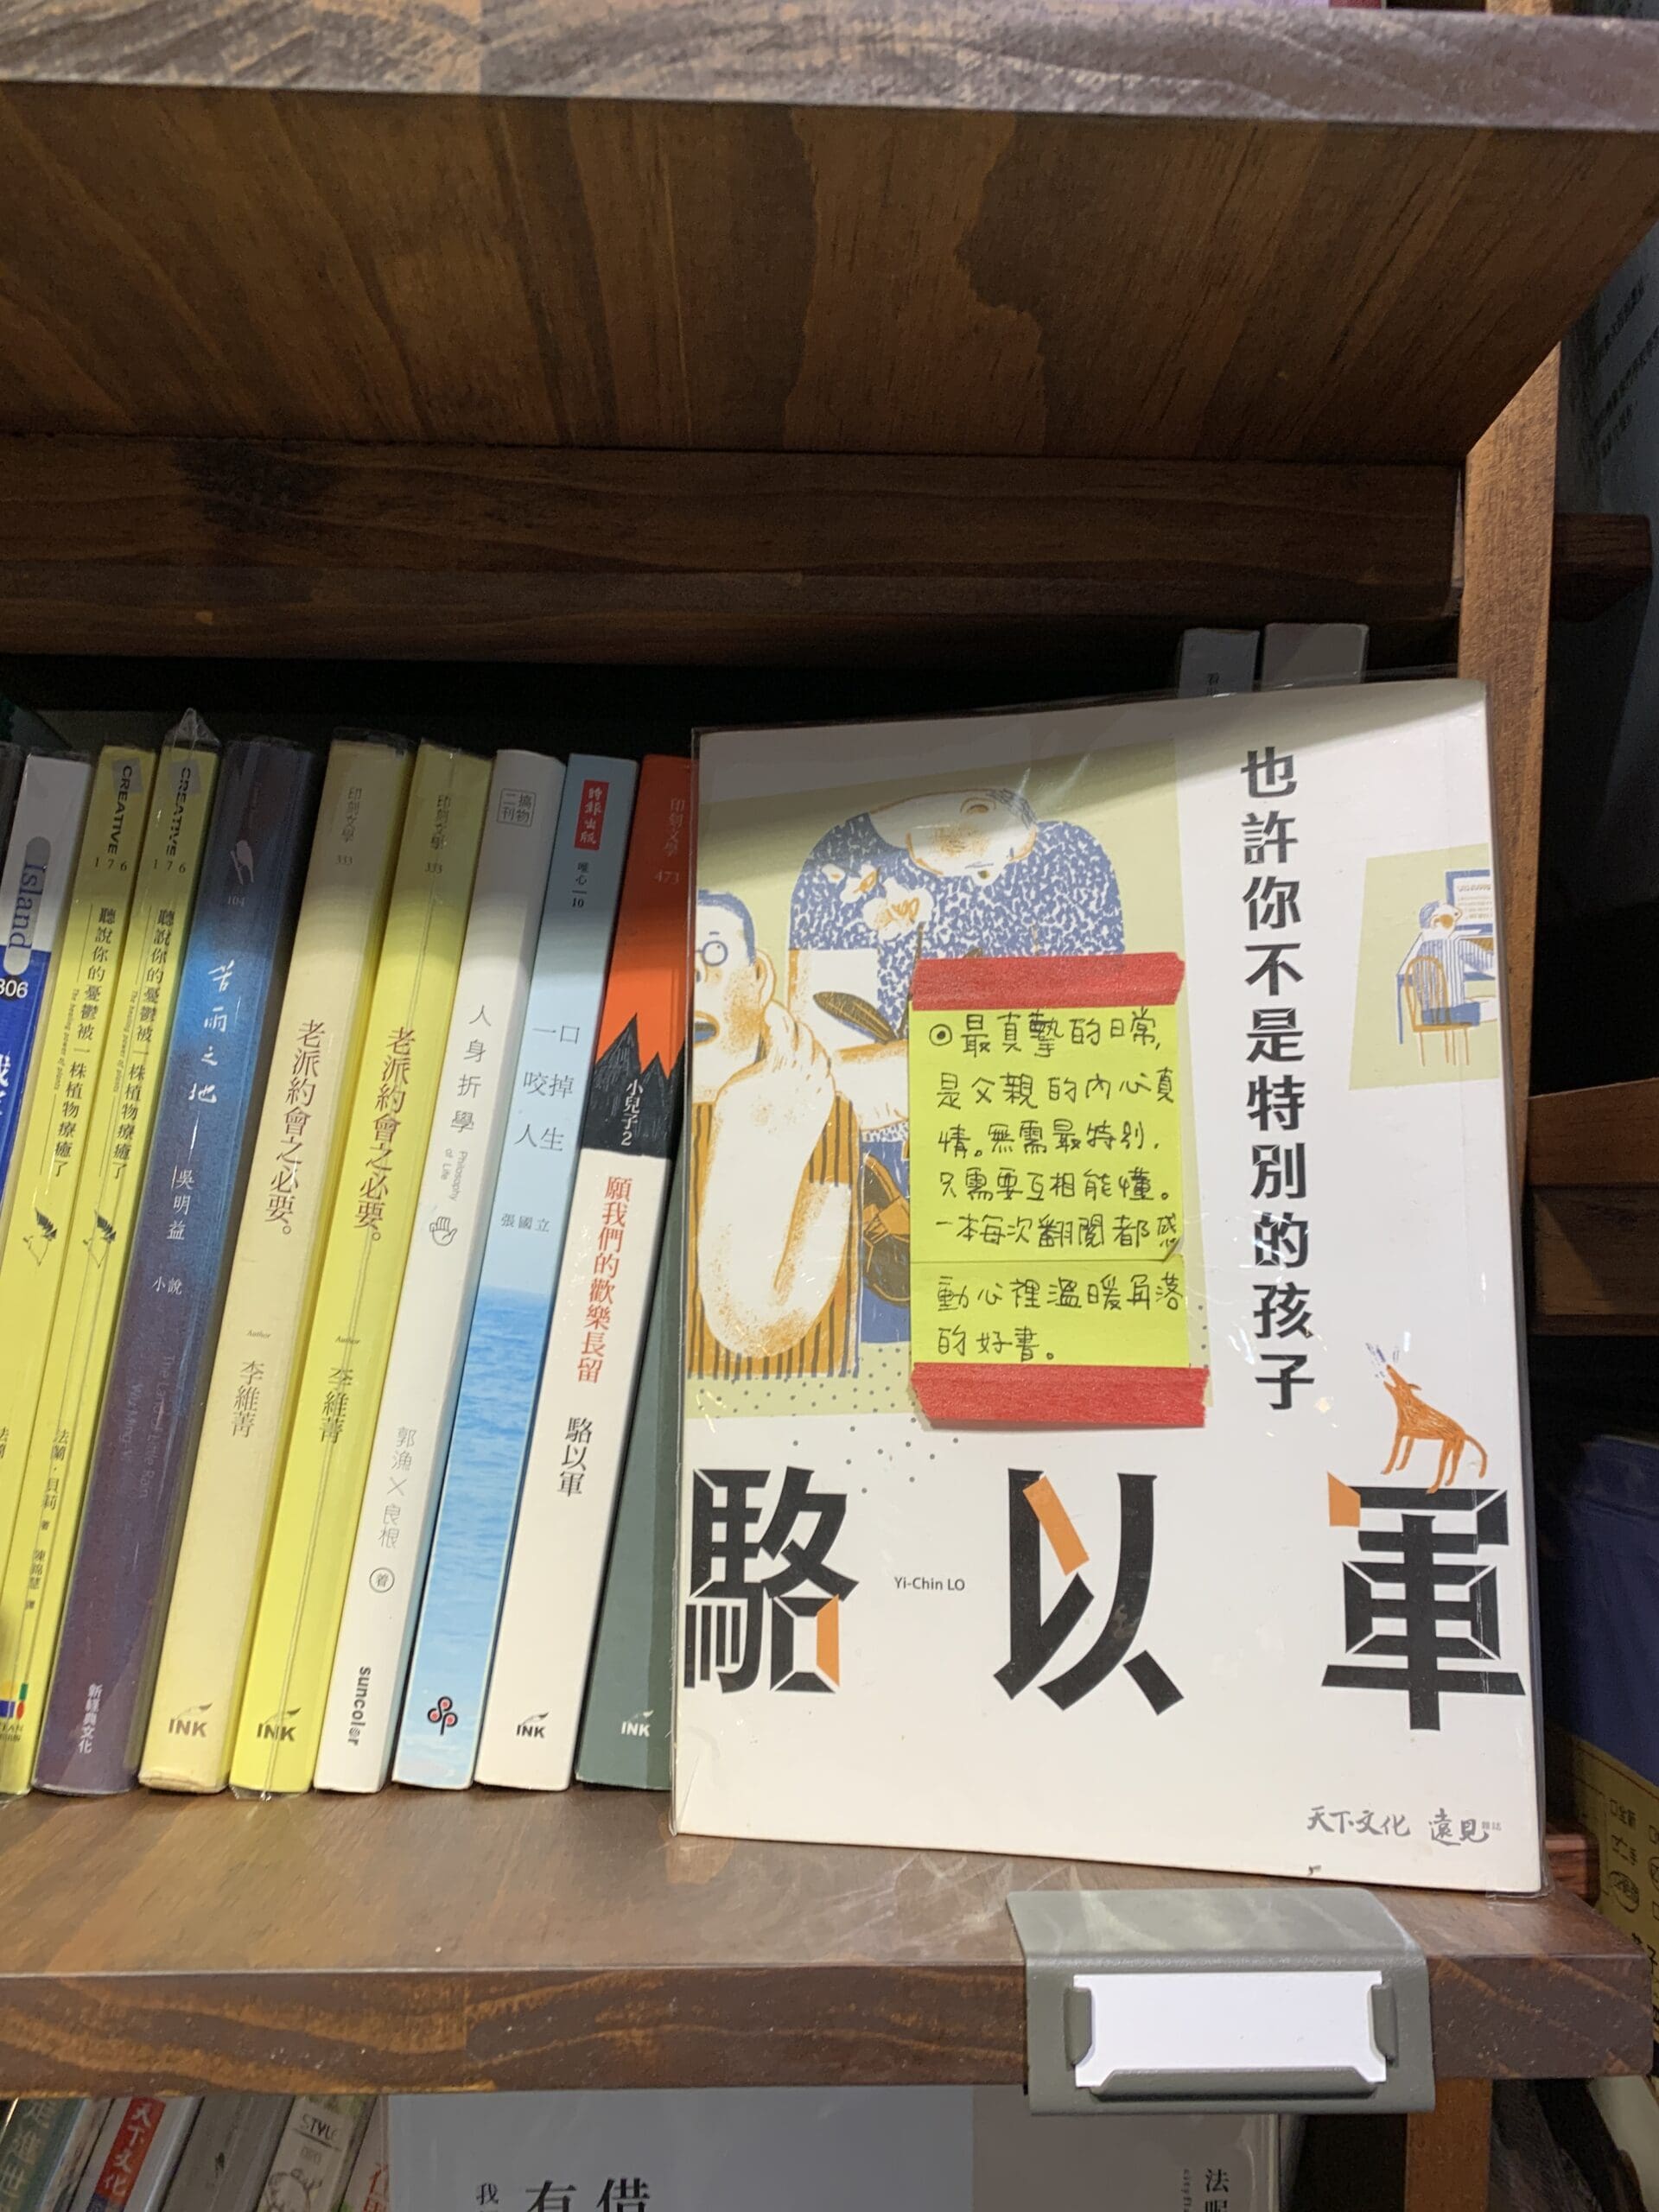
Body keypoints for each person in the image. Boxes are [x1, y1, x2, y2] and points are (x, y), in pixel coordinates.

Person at [787, 786, 1125, 1340]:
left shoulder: (1069, 857)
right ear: (976, 811)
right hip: (888, 1182)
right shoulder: (843, 867)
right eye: (997, 857)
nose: (994, 875)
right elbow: (824, 1086)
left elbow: (1099, 1055)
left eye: (1007, 861)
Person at [688, 891, 859, 1378]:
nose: (695, 975)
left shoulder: (827, 1116)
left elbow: (776, 1329)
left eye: (714, 954)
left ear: (759, 977)